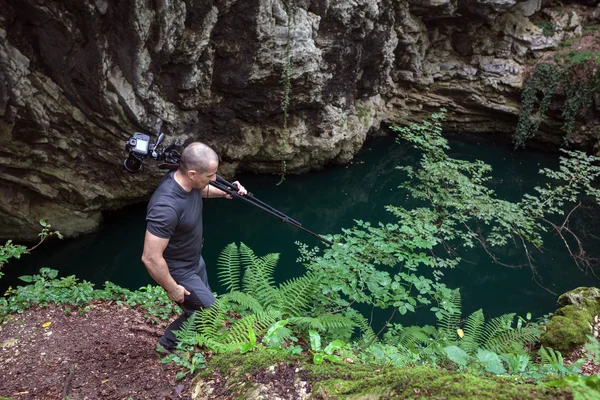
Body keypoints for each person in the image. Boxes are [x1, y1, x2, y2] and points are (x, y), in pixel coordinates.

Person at [141, 142, 247, 351]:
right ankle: (167, 346)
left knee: (199, 308)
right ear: (192, 174)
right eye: (210, 175)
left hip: (193, 260)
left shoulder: (188, 182)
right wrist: (173, 288)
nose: (215, 179)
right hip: (178, 269)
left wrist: (226, 193)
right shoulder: (165, 207)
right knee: (210, 310)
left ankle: (195, 338)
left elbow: (201, 190)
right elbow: (150, 257)